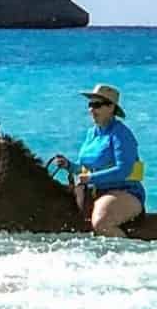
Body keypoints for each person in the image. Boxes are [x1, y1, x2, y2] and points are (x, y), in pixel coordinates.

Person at [52, 83, 145, 237]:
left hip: (124, 192)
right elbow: (86, 168)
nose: (91, 110)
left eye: (97, 105)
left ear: (111, 108)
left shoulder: (121, 134)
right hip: (94, 190)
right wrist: (69, 166)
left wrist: (91, 178)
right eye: (90, 105)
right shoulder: (91, 133)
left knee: (102, 223)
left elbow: (124, 170)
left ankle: (128, 256)